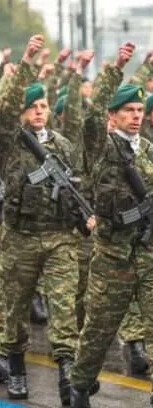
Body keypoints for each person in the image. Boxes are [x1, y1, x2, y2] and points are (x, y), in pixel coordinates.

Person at [69, 41, 153, 408]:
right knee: (99, 329)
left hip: (152, 254)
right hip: (112, 257)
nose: (136, 116)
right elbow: (89, 120)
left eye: (140, 110)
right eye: (128, 110)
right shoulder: (101, 148)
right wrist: (115, 69)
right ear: (113, 115)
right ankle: (80, 383)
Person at [0, 35, 95, 405]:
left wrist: (85, 216)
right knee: (14, 309)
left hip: (59, 239)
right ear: (21, 112)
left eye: (43, 106)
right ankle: (17, 370)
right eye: (32, 107)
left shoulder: (61, 145)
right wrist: (26, 61)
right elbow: (6, 105)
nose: (39, 111)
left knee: (64, 307)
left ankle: (67, 376)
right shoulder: (9, 141)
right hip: (20, 237)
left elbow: (74, 186)